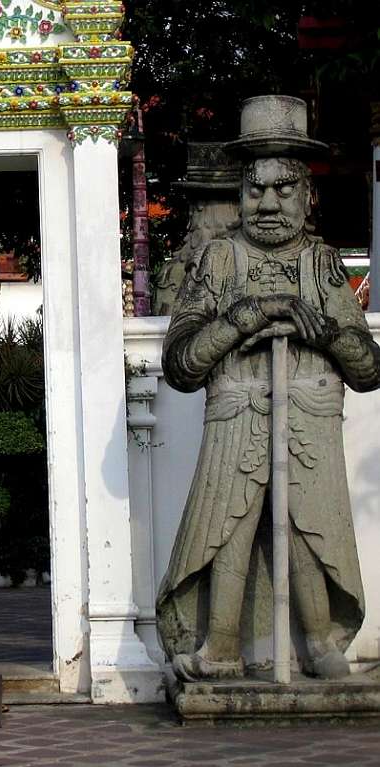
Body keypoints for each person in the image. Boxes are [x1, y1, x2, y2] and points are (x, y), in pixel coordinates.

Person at [157, 96, 380, 681]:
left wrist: (321, 326)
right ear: (238, 196)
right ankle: (221, 645)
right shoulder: (219, 260)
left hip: (307, 416)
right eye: (255, 191)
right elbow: (180, 364)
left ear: (308, 197)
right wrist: (245, 317)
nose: (268, 203)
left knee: (308, 529)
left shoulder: (322, 262)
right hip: (236, 414)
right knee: (227, 528)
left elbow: (367, 368)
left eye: (284, 190)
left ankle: (320, 643)